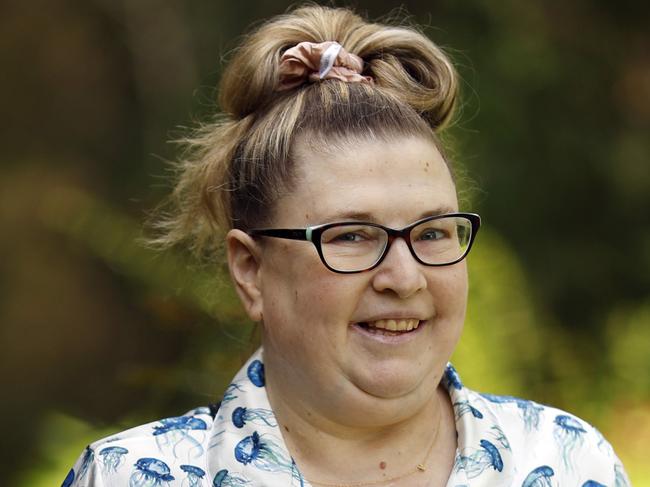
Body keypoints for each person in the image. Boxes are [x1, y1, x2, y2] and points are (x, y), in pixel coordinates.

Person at [63, 5, 630, 487]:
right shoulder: (130, 474)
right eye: (353, 236)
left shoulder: (567, 461)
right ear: (250, 270)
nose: (405, 278)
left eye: (432, 232)